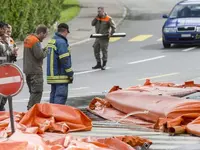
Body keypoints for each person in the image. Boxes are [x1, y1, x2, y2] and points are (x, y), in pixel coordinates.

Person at [46, 23, 73, 104]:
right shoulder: (61, 42)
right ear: (65, 31)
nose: (67, 35)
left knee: (53, 96)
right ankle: (57, 115)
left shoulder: (52, 40)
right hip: (60, 76)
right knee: (60, 97)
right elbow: (64, 59)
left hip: (52, 76)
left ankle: (52, 115)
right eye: (67, 33)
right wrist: (70, 73)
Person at [23, 25, 48, 110]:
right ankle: (31, 111)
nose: (45, 37)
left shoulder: (28, 38)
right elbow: (39, 56)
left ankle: (30, 110)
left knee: (32, 92)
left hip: (28, 71)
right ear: (41, 33)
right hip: (35, 71)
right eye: (45, 35)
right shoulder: (35, 41)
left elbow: (32, 54)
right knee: (37, 92)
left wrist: (42, 49)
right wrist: (47, 51)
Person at [0, 22, 17, 111]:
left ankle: (2, 107)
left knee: (6, 93)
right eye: (4, 29)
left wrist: (13, 54)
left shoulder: (9, 40)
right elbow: (2, 56)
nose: (6, 32)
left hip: (7, 70)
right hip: (1, 70)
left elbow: (7, 54)